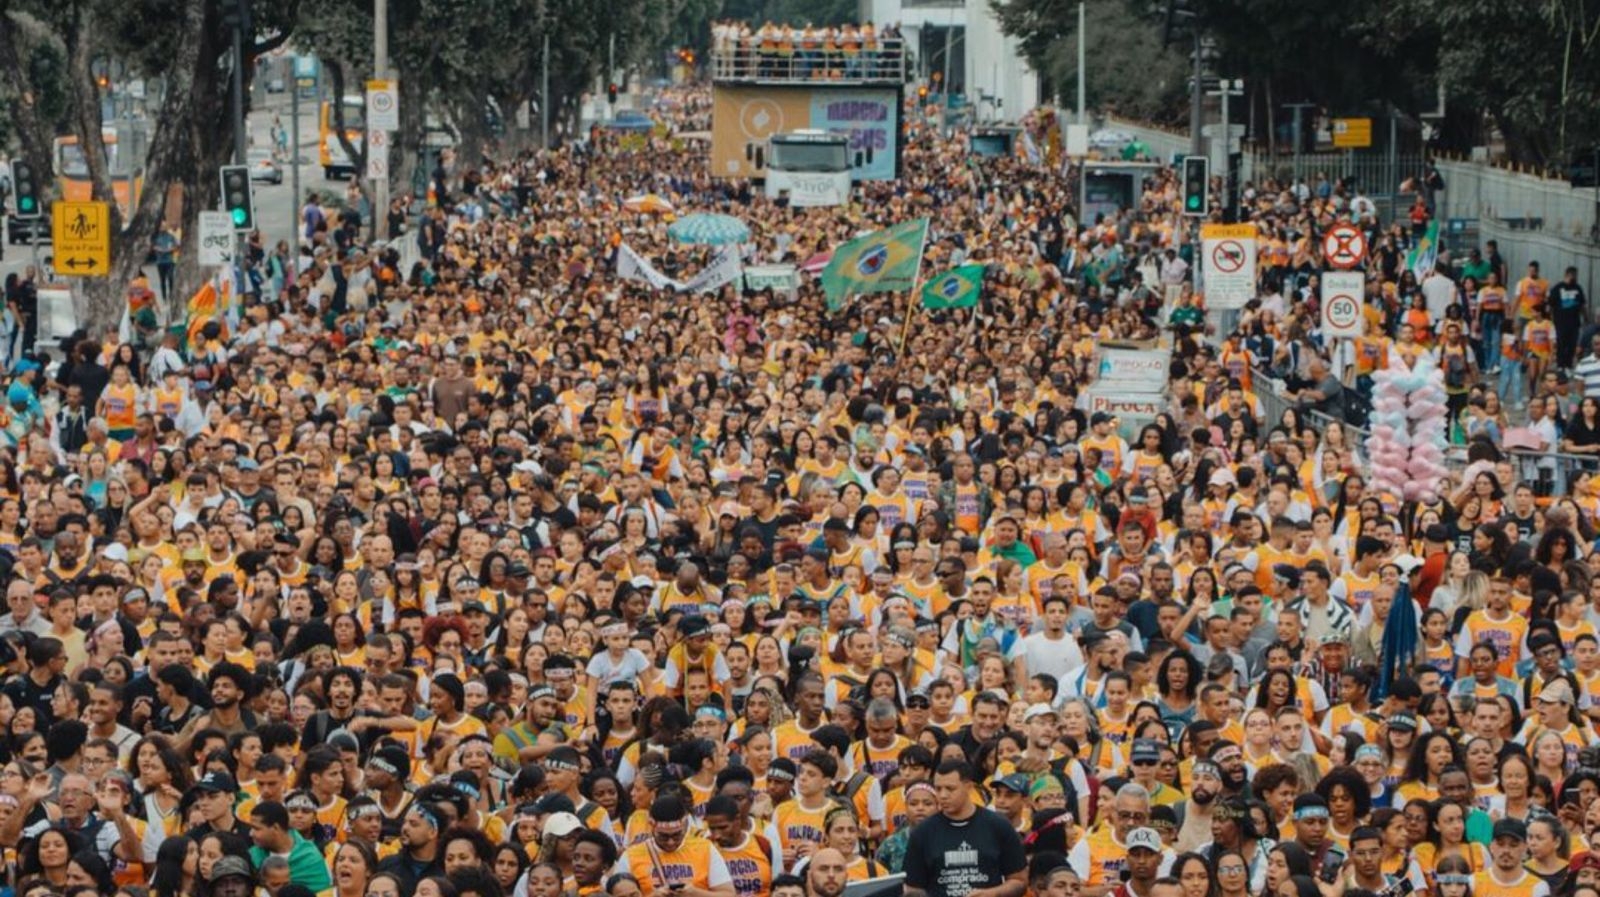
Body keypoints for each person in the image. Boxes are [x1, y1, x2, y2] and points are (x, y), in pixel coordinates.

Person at [902, 760, 1026, 897]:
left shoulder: (998, 826)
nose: (943, 795)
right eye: (938, 789)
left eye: (950, 789)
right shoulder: (922, 832)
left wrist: (993, 893)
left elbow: (1019, 880)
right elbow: (913, 888)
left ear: (968, 787)